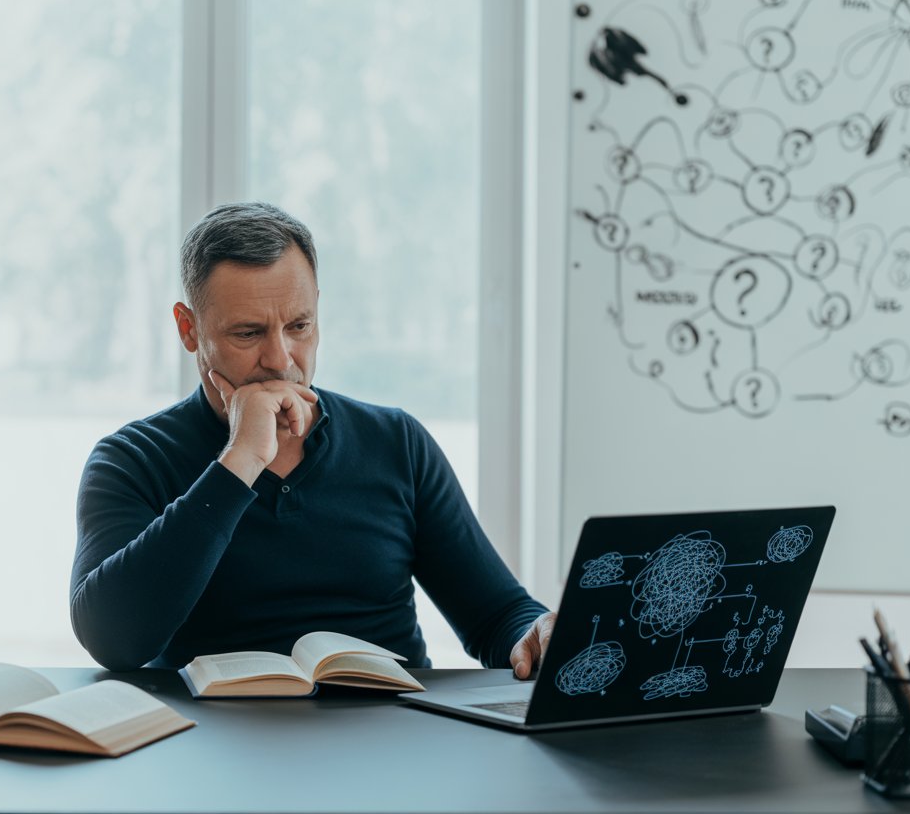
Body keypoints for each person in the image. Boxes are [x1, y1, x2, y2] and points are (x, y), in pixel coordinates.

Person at [70, 201, 556, 674]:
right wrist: (239, 461)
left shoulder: (396, 443)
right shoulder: (130, 460)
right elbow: (113, 641)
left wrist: (537, 631)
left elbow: (496, 616)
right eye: (248, 333)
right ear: (189, 328)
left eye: (299, 326)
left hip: (389, 738)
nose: (281, 359)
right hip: (214, 744)